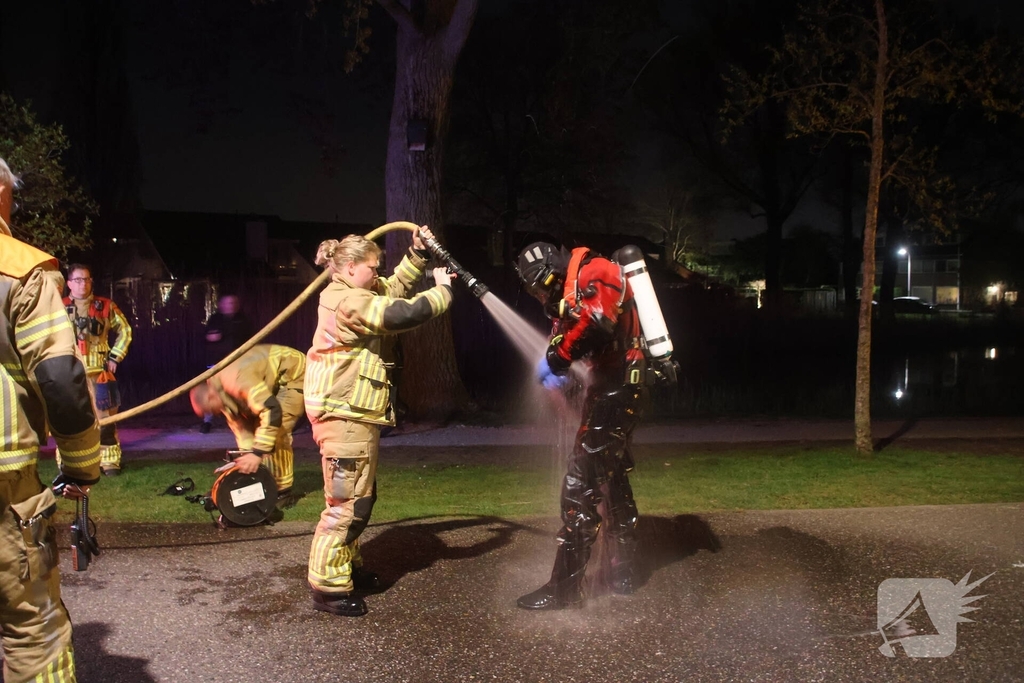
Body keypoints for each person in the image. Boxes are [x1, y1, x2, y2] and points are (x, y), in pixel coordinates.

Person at [305, 226, 456, 617]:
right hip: (343, 416)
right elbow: (399, 312)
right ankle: (328, 588)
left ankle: (347, 569)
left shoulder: (357, 291)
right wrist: (440, 292)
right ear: (351, 267)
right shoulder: (346, 302)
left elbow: (392, 288)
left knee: (357, 496)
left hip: (352, 413)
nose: (378, 273)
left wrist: (419, 255)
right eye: (372, 267)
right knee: (347, 504)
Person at [1, 156, 102, 682]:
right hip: (7, 476)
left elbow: (119, 332)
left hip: (90, 378)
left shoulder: (103, 307)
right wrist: (82, 465)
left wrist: (113, 358)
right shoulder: (20, 269)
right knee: (32, 627)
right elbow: (61, 377)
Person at [514, 241, 650, 610]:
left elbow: (598, 322)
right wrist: (558, 362)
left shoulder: (597, 271)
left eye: (540, 286)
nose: (541, 294)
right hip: (615, 387)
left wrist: (557, 359)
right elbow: (577, 331)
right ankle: (624, 568)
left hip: (616, 390)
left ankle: (564, 590)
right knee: (612, 478)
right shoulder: (578, 285)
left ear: (551, 273)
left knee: (580, 486)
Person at [189, 343, 305, 504]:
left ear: (210, 397)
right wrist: (242, 462)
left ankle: (282, 490)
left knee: (277, 431)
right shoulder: (220, 393)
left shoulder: (237, 382)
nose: (213, 415)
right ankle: (263, 482)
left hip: (291, 373)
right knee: (261, 435)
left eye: (209, 411)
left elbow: (272, 410)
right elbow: (242, 431)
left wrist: (257, 453)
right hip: (265, 380)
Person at [63, 262, 132, 476]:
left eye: (86, 279)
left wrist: (115, 356)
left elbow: (125, 331)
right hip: (70, 374)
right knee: (69, 421)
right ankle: (70, 463)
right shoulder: (59, 306)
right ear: (69, 283)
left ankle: (109, 462)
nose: (82, 284)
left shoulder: (106, 306)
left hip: (100, 373)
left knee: (106, 422)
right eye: (78, 280)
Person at [200, 293, 255, 433]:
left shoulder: (243, 320)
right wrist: (213, 337)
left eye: (233, 303)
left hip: (239, 363)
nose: (231, 306)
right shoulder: (215, 320)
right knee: (213, 392)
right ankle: (207, 422)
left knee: (240, 391)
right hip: (217, 363)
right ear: (221, 305)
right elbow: (208, 336)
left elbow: (252, 339)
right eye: (228, 303)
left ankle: (243, 420)